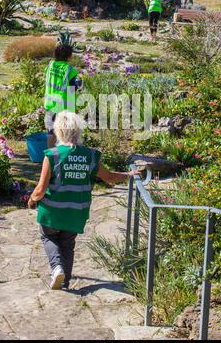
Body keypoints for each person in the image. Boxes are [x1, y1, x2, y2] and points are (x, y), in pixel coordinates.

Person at [27, 110, 140, 290]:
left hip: (52, 212)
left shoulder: (52, 154)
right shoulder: (91, 155)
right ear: (78, 130)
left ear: (58, 131)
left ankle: (57, 268)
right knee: (67, 244)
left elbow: (41, 189)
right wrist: (128, 174)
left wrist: (32, 199)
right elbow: (109, 177)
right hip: (76, 212)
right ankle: (64, 282)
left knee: (48, 237)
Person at [44, 40, 82, 149]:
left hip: (50, 103)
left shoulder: (51, 65)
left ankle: (50, 157)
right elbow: (71, 89)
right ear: (69, 57)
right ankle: (64, 157)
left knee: (51, 131)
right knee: (66, 132)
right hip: (64, 106)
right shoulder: (69, 70)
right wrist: (78, 84)